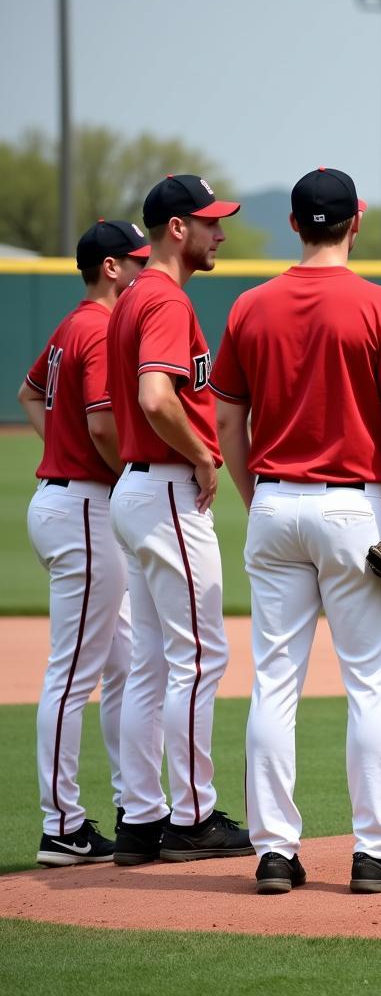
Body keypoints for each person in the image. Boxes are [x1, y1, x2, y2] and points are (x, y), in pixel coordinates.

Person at [211, 167, 381, 895]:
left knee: (273, 685)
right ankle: (377, 852)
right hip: (352, 508)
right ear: (357, 221)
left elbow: (227, 420)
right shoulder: (380, 304)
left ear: (292, 224)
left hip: (274, 507)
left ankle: (275, 853)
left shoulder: (250, 306)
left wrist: (258, 500)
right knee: (369, 686)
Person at [106, 175, 253, 866]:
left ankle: (140, 820)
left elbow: (111, 415)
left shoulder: (131, 298)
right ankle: (192, 818)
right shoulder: (163, 298)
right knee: (198, 657)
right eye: (209, 222)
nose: (218, 233)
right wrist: (201, 454)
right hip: (165, 490)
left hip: (135, 491)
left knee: (152, 665)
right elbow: (156, 396)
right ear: (176, 228)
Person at [19, 220, 148, 866]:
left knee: (122, 664)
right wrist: (126, 475)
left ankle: (135, 807)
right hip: (85, 510)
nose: (145, 267)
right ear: (111, 268)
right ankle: (61, 825)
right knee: (72, 674)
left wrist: (58, 446)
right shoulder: (98, 329)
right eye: (136, 259)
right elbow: (101, 424)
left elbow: (29, 392)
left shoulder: (73, 326)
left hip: (66, 501)